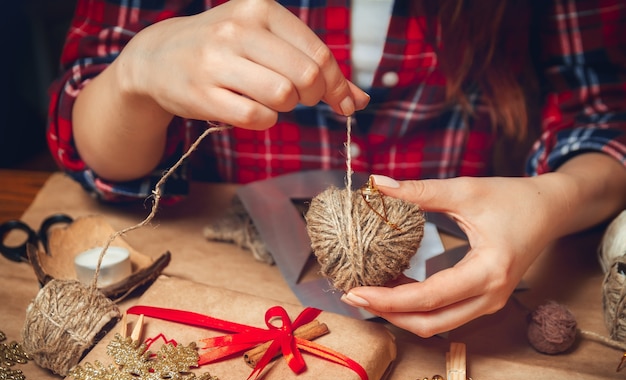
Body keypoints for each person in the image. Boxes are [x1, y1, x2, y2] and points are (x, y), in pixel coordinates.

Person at [47, 0, 626, 337]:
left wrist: (556, 198)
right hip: (221, 251)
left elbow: (603, 114)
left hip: (478, 270)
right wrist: (136, 73)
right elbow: (93, 137)